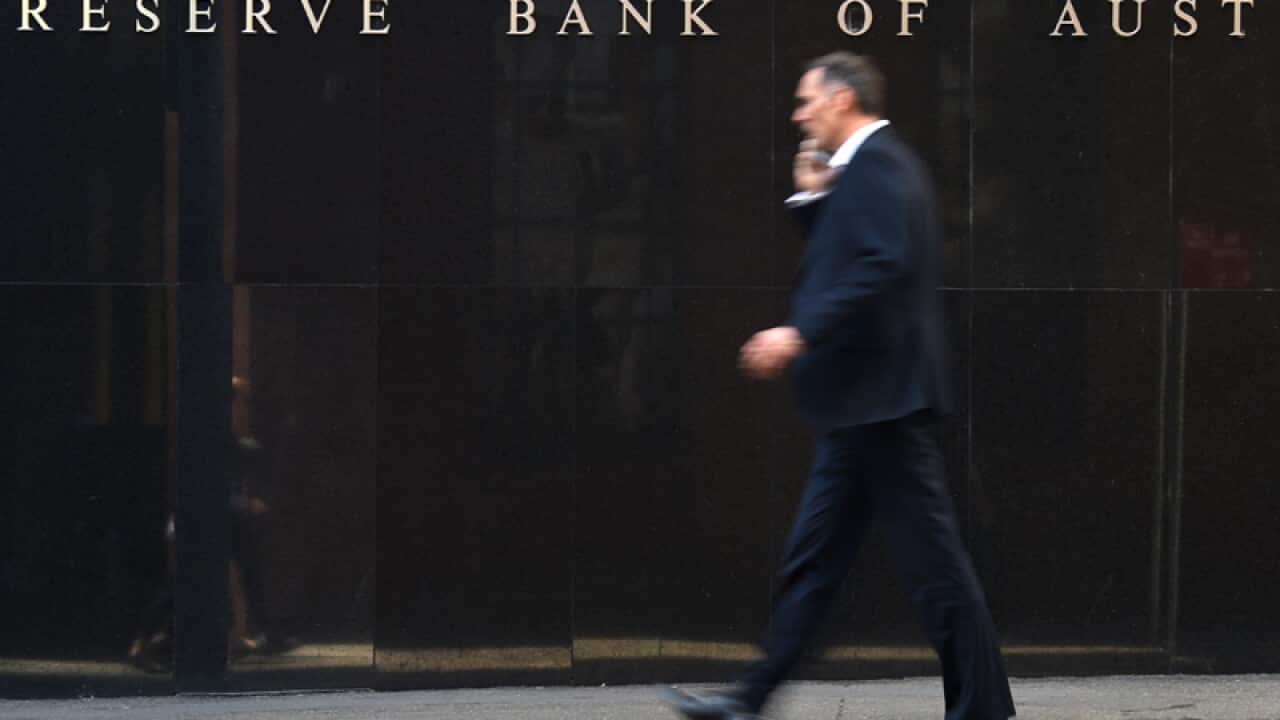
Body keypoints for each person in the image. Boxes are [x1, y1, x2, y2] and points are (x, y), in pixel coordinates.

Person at [663, 52, 1016, 720]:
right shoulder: (864, 173)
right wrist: (812, 202)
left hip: (885, 406)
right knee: (814, 565)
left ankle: (983, 711)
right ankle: (750, 699)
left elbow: (880, 266)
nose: (798, 113)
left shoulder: (881, 165)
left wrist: (797, 334)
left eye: (807, 101)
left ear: (844, 99)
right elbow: (849, 256)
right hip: (863, 408)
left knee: (935, 571)